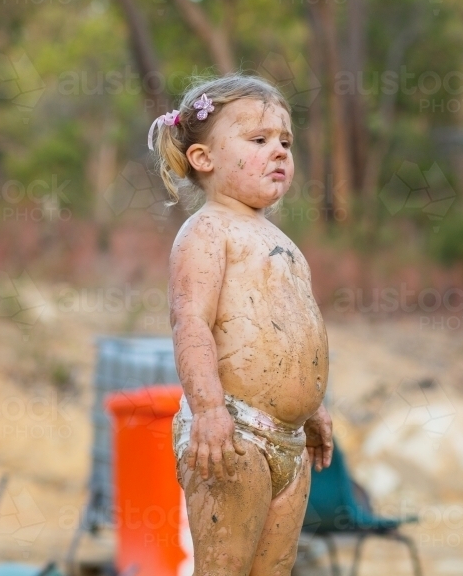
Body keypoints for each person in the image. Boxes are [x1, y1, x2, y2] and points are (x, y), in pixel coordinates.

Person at [149, 73, 334, 576]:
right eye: (258, 140)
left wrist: (315, 408)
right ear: (203, 159)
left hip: (289, 438)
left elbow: (299, 329)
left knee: (273, 570)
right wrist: (208, 409)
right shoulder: (207, 231)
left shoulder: (284, 242)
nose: (279, 152)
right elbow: (191, 323)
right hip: (232, 432)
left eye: (285, 142)